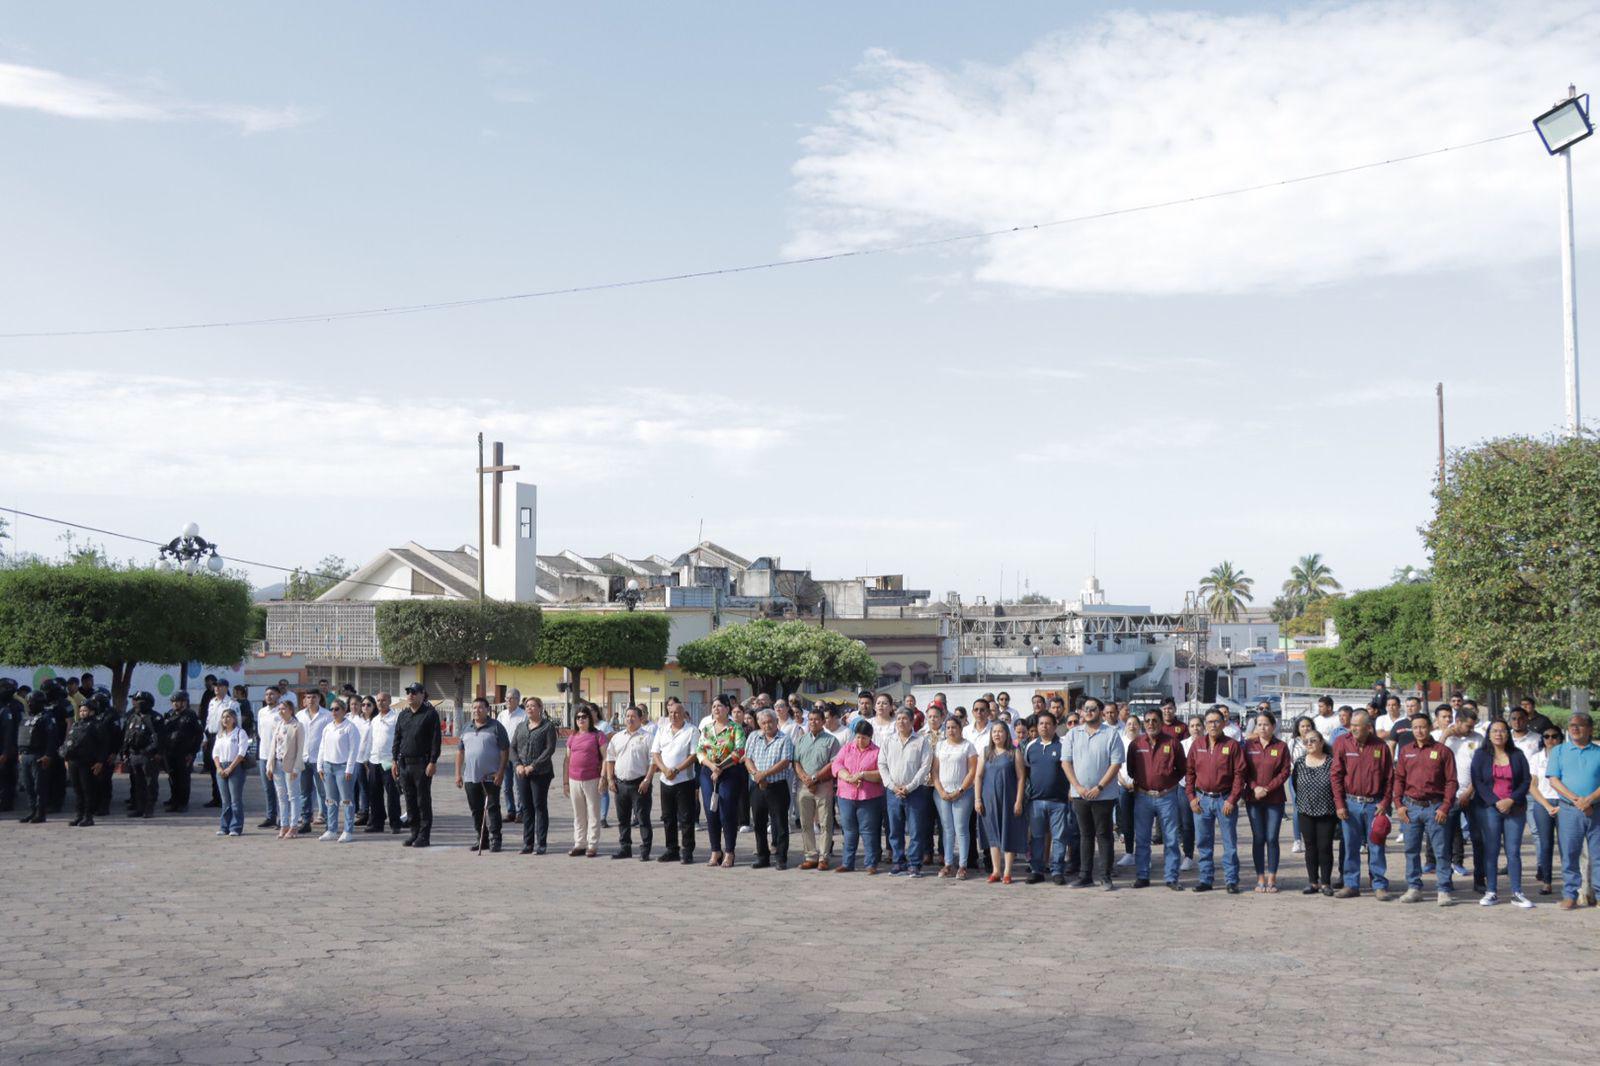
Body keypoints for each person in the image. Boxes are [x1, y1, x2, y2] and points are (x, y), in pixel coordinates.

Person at [1391, 711, 1458, 905]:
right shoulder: (1405, 751)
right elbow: (1399, 779)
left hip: (1435, 807)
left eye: (1423, 727)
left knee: (1441, 850)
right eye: (1415, 727)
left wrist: (1445, 806)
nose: (1419, 731)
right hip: (1410, 808)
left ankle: (1444, 889)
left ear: (1430, 728)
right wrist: (1399, 805)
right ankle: (1414, 887)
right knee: (1411, 849)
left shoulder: (1443, 751)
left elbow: (1451, 781)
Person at [1331, 710, 1394, 900]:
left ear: (1369, 727)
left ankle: (1379, 884)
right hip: (1350, 804)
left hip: (1374, 805)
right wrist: (1340, 804)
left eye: (1358, 725)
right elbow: (1336, 775)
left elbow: (1389, 778)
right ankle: (1351, 884)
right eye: (1352, 725)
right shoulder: (1342, 742)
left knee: (1376, 846)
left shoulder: (1380, 746)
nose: (1354, 729)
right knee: (1350, 846)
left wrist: (1385, 802)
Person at [1470, 719, 1533, 908]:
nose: (1499, 734)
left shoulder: (1518, 755)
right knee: (1491, 850)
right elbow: (1478, 782)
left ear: (1508, 734)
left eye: (1503, 731)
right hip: (1489, 809)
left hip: (1515, 808)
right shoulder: (1480, 755)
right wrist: (1496, 802)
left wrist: (1511, 800)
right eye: (1495, 731)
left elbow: (1525, 780)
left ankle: (1517, 892)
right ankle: (1491, 891)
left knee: (1513, 851)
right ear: (1488, 734)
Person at [1064, 697, 1125, 890]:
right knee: (1085, 835)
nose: (1089, 711)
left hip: (1103, 795)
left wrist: (1099, 787)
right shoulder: (1073, 734)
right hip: (1080, 794)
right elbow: (1066, 763)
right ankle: (1085, 876)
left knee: (1104, 835)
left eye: (1093, 709)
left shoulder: (1111, 734)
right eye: (1086, 709)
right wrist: (1078, 787)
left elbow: (1116, 764)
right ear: (1081, 712)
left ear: (1100, 711)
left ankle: (1105, 877)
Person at [1186, 708, 1246, 893]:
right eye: (1209, 721)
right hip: (1202, 800)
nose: (1213, 725)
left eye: (1216, 721)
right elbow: (1189, 773)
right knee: (1203, 843)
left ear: (1223, 723)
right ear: (1205, 724)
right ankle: (1205, 880)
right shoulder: (1197, 745)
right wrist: (1191, 797)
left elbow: (1240, 774)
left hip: (1225, 800)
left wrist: (1232, 799)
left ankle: (1231, 881)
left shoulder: (1232, 745)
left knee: (1229, 843)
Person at [1127, 705, 1187, 890]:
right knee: (1143, 839)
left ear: (1161, 723)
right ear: (1143, 724)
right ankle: (1142, 876)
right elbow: (1131, 770)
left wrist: (1167, 784)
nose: (1151, 724)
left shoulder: (1173, 743)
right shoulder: (1136, 744)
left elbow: (1182, 769)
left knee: (1170, 839)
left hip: (1167, 797)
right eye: (1147, 721)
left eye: (1155, 720)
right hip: (1143, 797)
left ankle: (1171, 877)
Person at [1546, 712, 1600, 911]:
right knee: (1569, 853)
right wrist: (1577, 800)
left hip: (1596, 809)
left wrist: (1590, 799)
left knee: (1598, 854)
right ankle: (1570, 894)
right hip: (1569, 810)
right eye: (1571, 725)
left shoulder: (1598, 752)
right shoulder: (1559, 751)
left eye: (1580, 725)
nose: (1575, 728)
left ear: (1590, 729)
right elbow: (1553, 780)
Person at [879, 707, 933, 878]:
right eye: (898, 718)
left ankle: (915, 864)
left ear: (911, 721)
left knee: (916, 830)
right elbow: (882, 764)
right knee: (895, 829)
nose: (901, 722)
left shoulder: (922, 741)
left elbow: (925, 766)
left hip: (915, 791)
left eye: (904, 719)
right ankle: (898, 862)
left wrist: (909, 787)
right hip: (893, 791)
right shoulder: (888, 741)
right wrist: (892, 785)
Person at [696, 694, 747, 869]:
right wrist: (712, 767)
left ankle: (729, 851)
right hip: (708, 772)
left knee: (726, 812)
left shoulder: (735, 728)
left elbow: (739, 751)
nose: (716, 709)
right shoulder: (707, 729)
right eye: (714, 706)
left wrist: (721, 768)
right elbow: (700, 751)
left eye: (719, 706)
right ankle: (715, 850)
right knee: (711, 811)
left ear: (727, 708)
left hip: (729, 772)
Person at [455, 696, 510, 853]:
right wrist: (458, 774)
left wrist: (500, 772)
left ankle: (495, 839)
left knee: (492, 808)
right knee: (476, 809)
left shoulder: (496, 727)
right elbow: (460, 752)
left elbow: (504, 751)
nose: (476, 710)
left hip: (491, 776)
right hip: (471, 777)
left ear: (487, 709)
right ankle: (481, 838)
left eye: (480, 707)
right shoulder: (466, 728)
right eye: (474, 708)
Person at [1243, 712, 1290, 894]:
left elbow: (1285, 772)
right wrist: (1255, 787)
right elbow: (1243, 770)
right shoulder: (1248, 746)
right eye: (1259, 724)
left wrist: (1268, 788)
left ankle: (1272, 878)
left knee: (1271, 838)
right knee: (1258, 838)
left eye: (1266, 724)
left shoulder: (1281, 746)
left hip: (1275, 799)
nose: (1263, 727)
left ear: (1273, 726)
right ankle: (1260, 878)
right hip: (1253, 799)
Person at [649, 697, 699, 865]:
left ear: (684, 714)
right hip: (666, 780)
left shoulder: (692, 730)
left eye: (677, 713)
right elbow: (655, 753)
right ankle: (672, 849)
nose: (674, 716)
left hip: (684, 780)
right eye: (671, 713)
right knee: (668, 817)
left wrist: (677, 769)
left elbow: (693, 755)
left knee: (686, 818)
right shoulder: (662, 729)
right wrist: (664, 769)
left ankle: (687, 851)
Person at [392, 682, 442, 848]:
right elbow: (397, 738)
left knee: (423, 801)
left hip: (422, 764)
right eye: (408, 692)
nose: (410, 695)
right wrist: (394, 760)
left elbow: (436, 740)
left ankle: (424, 835)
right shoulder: (403, 715)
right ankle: (414, 832)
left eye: (414, 692)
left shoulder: (430, 714)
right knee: (410, 800)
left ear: (422, 694)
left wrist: (433, 762)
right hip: (404, 763)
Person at [832, 720, 886, 874]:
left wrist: (863, 775)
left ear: (870, 737)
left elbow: (881, 773)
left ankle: (871, 863)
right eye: (858, 737)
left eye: (864, 738)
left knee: (868, 830)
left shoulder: (876, 752)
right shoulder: (847, 748)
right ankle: (847, 862)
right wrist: (847, 776)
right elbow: (837, 765)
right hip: (846, 796)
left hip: (869, 797)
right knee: (849, 830)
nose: (860, 741)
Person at [744, 708, 795, 869]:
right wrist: (756, 774)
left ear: (776, 722)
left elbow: (785, 761)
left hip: (777, 786)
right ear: (759, 723)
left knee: (779, 823)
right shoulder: (753, 736)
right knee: (759, 823)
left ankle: (781, 857)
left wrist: (764, 774)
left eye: (770, 722)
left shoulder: (784, 739)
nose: (767, 725)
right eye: (764, 722)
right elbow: (747, 758)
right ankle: (762, 856)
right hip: (757, 786)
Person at [975, 721, 1025, 883]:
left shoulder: (1014, 752)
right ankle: (996, 871)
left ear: (1007, 734)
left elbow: (1021, 778)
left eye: (1000, 731)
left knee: (1008, 833)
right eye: (994, 731)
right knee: (993, 835)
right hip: (989, 800)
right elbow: (979, 776)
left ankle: (1007, 872)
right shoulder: (985, 752)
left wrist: (1018, 800)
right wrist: (977, 799)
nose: (997, 734)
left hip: (1009, 799)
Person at [605, 705, 657, 861]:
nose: (630, 719)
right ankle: (625, 847)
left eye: (633, 716)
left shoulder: (648, 737)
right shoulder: (617, 737)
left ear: (640, 719)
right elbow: (610, 759)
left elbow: (653, 761)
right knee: (623, 819)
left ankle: (645, 849)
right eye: (627, 716)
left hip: (640, 784)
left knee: (643, 818)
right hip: (620, 784)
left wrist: (647, 779)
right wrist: (610, 779)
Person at [793, 706, 841, 870]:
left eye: (817, 720)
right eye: (811, 719)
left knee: (825, 823)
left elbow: (833, 763)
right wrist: (805, 778)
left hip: (823, 786)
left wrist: (815, 778)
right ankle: (810, 856)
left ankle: (823, 857)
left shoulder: (831, 740)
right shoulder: (801, 740)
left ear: (823, 722)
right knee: (806, 823)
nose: (813, 722)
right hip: (804, 786)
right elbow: (796, 762)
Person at [1291, 728, 1337, 895]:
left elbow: (1336, 786)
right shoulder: (1300, 762)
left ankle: (1325, 883)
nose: (1309, 744)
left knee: (1325, 847)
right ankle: (1313, 882)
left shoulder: (1331, 762)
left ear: (1321, 742)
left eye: (1313, 740)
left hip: (1327, 811)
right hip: (1305, 811)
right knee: (1310, 848)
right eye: (1306, 741)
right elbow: (1295, 784)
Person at [931, 716, 977, 879]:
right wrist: (941, 791)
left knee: (961, 828)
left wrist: (960, 790)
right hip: (942, 793)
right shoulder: (940, 746)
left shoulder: (968, 746)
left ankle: (963, 865)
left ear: (960, 728)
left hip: (963, 793)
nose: (951, 730)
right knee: (947, 829)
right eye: (948, 727)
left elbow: (972, 771)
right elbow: (935, 771)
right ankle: (948, 863)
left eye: (954, 727)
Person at [512, 696, 559, 855]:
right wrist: (518, 764)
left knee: (539, 806)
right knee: (526, 808)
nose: (530, 708)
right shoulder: (521, 727)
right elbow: (513, 748)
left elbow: (549, 749)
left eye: (533, 706)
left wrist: (533, 766)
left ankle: (542, 843)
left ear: (540, 708)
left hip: (541, 773)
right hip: (521, 773)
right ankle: (528, 843)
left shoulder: (548, 727)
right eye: (527, 706)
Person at [564, 705, 607, 858]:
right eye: (578, 717)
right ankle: (579, 843)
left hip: (592, 779)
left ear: (590, 718)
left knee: (593, 813)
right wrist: (565, 783)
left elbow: (606, 758)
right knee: (578, 814)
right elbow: (567, 760)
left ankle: (592, 845)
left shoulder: (598, 735)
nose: (581, 719)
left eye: (584, 717)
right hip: (574, 779)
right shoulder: (572, 737)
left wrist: (603, 778)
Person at [316, 700, 362, 842]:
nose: (334, 712)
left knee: (347, 800)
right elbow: (322, 747)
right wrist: (319, 765)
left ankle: (348, 830)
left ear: (343, 710)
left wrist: (349, 768)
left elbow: (354, 750)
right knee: (330, 800)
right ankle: (332, 829)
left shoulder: (350, 727)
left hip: (343, 768)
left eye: (337, 709)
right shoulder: (328, 727)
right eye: (332, 709)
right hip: (328, 766)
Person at [1528, 723, 1564, 895]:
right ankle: (1547, 881)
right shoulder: (1536, 758)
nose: (1550, 739)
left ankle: (1571, 882)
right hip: (1543, 803)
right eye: (1547, 736)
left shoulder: (1566, 756)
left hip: (1564, 802)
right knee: (1545, 843)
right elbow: (1533, 785)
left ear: (1560, 738)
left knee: (1567, 845)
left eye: (1554, 736)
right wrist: (1547, 805)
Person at [60, 701, 107, 827]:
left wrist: (100, 762)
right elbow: (68, 742)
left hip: (87, 763)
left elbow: (104, 746)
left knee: (88, 790)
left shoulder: (97, 725)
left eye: (85, 710)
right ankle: (78, 815)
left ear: (92, 711)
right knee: (77, 790)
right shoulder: (76, 724)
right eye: (81, 711)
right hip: (73, 762)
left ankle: (88, 816)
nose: (82, 713)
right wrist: (65, 758)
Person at [265, 699, 305, 839]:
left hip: (291, 765)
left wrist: (296, 767)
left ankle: (294, 825)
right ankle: (284, 824)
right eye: (279, 709)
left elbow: (300, 749)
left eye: (283, 709)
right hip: (278, 764)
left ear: (290, 710)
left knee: (293, 796)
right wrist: (269, 765)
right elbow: (273, 746)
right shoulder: (278, 725)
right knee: (281, 796)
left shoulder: (297, 726)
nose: (281, 711)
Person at [362, 692, 402, 834]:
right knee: (374, 793)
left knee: (392, 794)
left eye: (383, 700)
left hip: (389, 761)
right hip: (374, 760)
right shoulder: (375, 720)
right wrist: (366, 758)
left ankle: (395, 823)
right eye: (378, 700)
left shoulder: (396, 718)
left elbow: (400, 740)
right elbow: (370, 741)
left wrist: (397, 759)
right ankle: (377, 823)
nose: (380, 703)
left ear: (390, 701)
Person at [295, 691, 333, 834]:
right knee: (304, 793)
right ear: (304, 699)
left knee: (325, 792)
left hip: (320, 760)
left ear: (319, 699)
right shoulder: (299, 716)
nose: (311, 700)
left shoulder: (327, 716)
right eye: (308, 697)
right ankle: (306, 821)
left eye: (314, 697)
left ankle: (330, 822)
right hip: (303, 759)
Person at [121, 692, 162, 818]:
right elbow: (127, 735)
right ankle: (139, 807)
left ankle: (149, 808)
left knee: (150, 783)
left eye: (140, 701)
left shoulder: (155, 718)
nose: (137, 703)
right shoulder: (133, 717)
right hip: (134, 755)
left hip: (148, 755)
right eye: (136, 701)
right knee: (137, 783)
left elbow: (160, 738)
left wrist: (155, 752)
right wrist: (125, 752)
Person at [212, 707, 250, 837]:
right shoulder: (220, 735)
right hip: (221, 765)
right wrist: (218, 768)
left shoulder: (240, 733)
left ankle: (236, 826)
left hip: (235, 766)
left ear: (234, 719)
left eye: (228, 717)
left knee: (235, 799)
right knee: (225, 800)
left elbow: (241, 752)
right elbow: (215, 753)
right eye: (223, 717)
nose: (225, 720)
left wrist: (231, 767)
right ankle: (224, 826)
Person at [162, 691, 203, 813]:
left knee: (183, 779)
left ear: (184, 702)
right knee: (172, 777)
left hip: (184, 753)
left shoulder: (190, 716)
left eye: (177, 701)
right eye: (173, 701)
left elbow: (198, 735)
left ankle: (183, 803)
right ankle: (174, 800)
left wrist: (193, 752)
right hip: (170, 752)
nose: (175, 704)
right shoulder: (169, 714)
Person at [202, 677, 238, 809]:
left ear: (226, 688)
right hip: (211, 737)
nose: (216, 688)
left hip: (224, 737)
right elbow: (208, 720)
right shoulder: (212, 702)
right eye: (215, 686)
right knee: (213, 768)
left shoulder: (231, 704)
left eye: (219, 686)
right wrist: (205, 737)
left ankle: (226, 798)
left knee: (225, 766)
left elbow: (236, 723)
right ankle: (216, 797)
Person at [255, 685, 283, 830]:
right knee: (268, 788)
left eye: (272, 694)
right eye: (267, 694)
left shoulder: (281, 712)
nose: (269, 697)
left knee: (280, 788)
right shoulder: (261, 712)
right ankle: (270, 816)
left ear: (278, 695)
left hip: (278, 755)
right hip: (264, 753)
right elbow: (260, 732)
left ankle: (282, 818)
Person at [496, 690, 525, 825]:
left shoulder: (523, 715)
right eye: (506, 698)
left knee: (518, 786)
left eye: (511, 698)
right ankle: (510, 811)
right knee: (506, 786)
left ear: (518, 700)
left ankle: (521, 812)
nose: (508, 701)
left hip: (518, 754)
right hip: (503, 754)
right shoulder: (501, 715)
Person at [0, 678, 21, 813]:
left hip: (9, 746)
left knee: (7, 777)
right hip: (8, 746)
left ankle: (7, 803)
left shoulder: (16, 705)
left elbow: (12, 730)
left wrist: (7, 751)